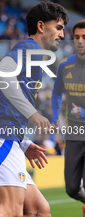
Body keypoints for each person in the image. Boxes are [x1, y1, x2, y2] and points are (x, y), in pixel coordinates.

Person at [0, 1, 69, 217]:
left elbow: (4, 103)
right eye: (58, 28)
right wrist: (32, 114)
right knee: (9, 210)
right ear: (41, 26)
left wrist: (23, 143)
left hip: (5, 139)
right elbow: (2, 74)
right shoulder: (30, 48)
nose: (62, 34)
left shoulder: (35, 56)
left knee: (39, 209)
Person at [51, 20, 85, 213]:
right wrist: (55, 116)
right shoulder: (65, 66)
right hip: (73, 134)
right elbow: (56, 93)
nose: (80, 41)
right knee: (72, 188)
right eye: (77, 37)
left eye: (84, 38)